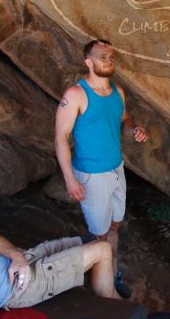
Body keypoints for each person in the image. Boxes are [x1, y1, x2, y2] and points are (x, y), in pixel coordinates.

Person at [55, 39, 149, 299]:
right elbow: (60, 137)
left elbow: (124, 120)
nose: (108, 61)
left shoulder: (118, 92)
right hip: (91, 174)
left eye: (111, 57)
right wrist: (69, 180)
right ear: (88, 62)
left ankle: (112, 272)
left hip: (116, 168)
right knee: (100, 235)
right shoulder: (76, 94)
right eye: (102, 57)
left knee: (114, 226)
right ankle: (104, 292)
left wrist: (134, 129)